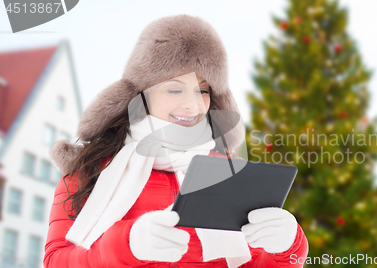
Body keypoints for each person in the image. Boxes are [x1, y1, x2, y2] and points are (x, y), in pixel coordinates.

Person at [44, 14, 308, 268]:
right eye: (174, 89)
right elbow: (56, 261)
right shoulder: (89, 171)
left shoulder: (231, 174)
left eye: (202, 90)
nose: (192, 104)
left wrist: (289, 247)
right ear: (142, 95)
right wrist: (127, 244)